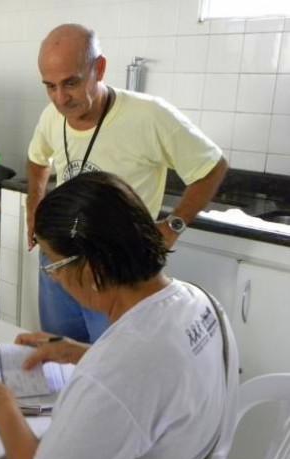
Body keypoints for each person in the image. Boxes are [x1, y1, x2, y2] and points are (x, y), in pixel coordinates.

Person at [0, 172, 239, 459]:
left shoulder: (118, 371)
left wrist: (0, 404)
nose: (52, 277)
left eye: (51, 264)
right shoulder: (200, 302)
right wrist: (81, 352)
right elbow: (159, 381)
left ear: (91, 270)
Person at [27, 24, 229, 343]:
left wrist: (174, 224)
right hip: (59, 262)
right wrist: (34, 207)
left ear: (100, 68)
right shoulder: (51, 116)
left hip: (115, 270)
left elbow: (212, 166)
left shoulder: (149, 116)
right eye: (50, 86)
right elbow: (38, 159)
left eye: (71, 83)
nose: (61, 98)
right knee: (59, 357)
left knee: (115, 363)